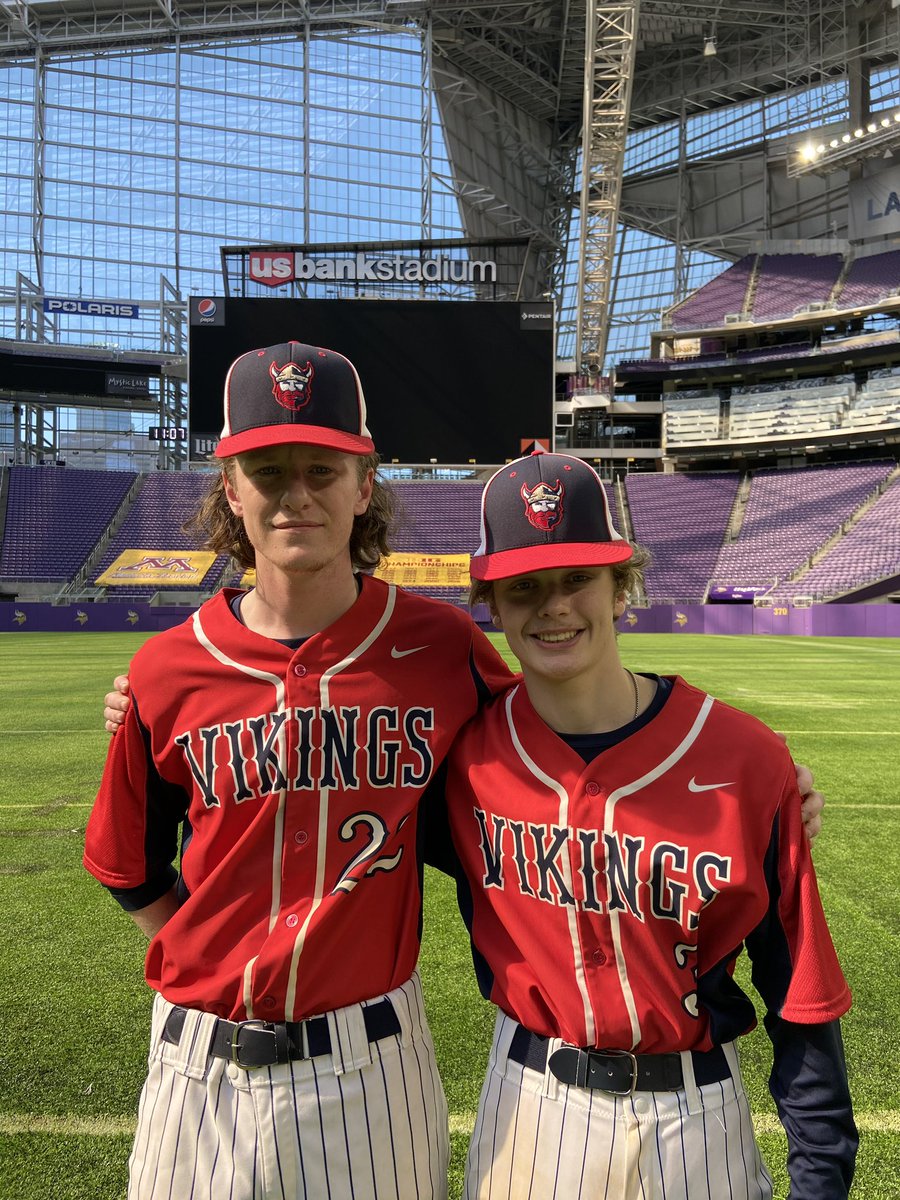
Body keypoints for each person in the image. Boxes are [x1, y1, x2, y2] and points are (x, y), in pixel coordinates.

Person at [83, 341, 514, 1200]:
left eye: (323, 468)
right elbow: (125, 863)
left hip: (373, 1069)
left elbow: (552, 753)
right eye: (268, 470)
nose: (297, 495)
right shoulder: (170, 669)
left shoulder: (441, 647)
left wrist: (754, 776)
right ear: (231, 489)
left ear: (364, 484)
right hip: (197, 1072)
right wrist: (199, 953)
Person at [431, 450, 856, 1199]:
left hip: (695, 1119)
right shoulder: (464, 760)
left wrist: (821, 1175)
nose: (553, 606)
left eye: (577, 580)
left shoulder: (746, 758)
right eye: (523, 588)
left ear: (621, 588)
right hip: (529, 1107)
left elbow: (797, 989)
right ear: (491, 605)